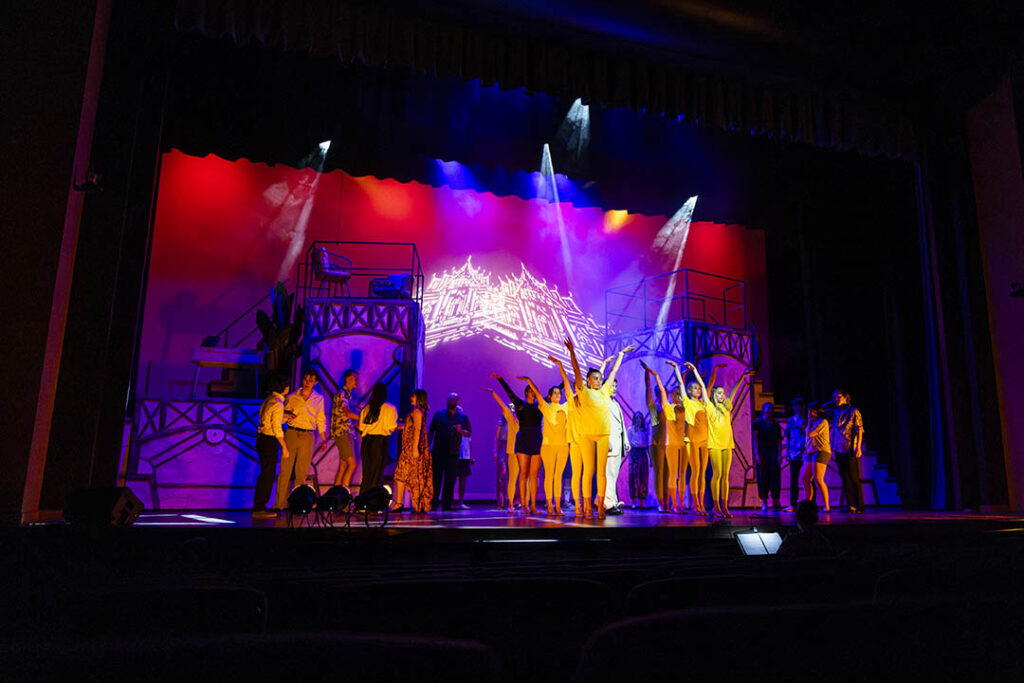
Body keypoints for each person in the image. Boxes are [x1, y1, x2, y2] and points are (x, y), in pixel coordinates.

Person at [564, 338, 633, 519]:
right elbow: (577, 371)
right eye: (595, 378)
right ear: (588, 380)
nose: (598, 380)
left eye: (600, 378)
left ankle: (601, 505)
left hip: (603, 436)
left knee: (602, 473)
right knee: (589, 471)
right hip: (586, 436)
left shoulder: (604, 392)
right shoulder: (584, 392)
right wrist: (572, 352)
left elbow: (614, 371)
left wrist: (620, 355)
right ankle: (587, 505)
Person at [688, 361, 756, 518]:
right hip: (715, 444)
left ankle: (725, 506)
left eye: (723, 393)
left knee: (725, 475)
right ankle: (716, 506)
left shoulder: (727, 406)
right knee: (717, 474)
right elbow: (704, 389)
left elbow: (735, 391)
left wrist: (743, 377)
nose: (722, 395)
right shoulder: (710, 407)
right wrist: (696, 372)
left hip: (727, 443)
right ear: (713, 395)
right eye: (719, 393)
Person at [488, 373, 543, 514]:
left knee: (534, 476)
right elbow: (509, 394)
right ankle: (520, 504)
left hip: (536, 439)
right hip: (523, 440)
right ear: (526, 392)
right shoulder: (519, 405)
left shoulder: (540, 405)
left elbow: (553, 392)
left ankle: (533, 505)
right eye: (531, 389)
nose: (534, 391)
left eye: (534, 389)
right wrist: (500, 379)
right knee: (522, 474)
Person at [669, 361, 717, 515]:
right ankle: (696, 505)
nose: (697, 389)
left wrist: (695, 371)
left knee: (703, 472)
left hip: (704, 440)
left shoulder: (704, 403)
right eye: (694, 388)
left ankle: (701, 504)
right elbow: (680, 385)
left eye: (698, 388)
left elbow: (704, 387)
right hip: (692, 441)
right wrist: (677, 369)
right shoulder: (688, 403)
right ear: (689, 391)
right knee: (695, 471)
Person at [277, 369, 327, 510]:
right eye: (305, 379)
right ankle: (279, 505)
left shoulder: (319, 398)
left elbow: (320, 418)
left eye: (311, 381)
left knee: (302, 472)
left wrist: (323, 438)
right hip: (292, 433)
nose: (307, 383)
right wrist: (287, 415)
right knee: (285, 470)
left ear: (315, 382)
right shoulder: (292, 396)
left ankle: (298, 504)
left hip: (308, 435)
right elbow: (281, 418)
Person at [522, 377, 570, 516]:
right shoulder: (546, 407)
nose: (557, 395)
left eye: (558, 393)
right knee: (549, 475)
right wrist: (529, 380)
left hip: (562, 445)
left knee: (558, 476)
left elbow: (573, 394)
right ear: (549, 396)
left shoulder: (565, 407)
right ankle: (549, 505)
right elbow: (536, 393)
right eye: (554, 393)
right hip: (548, 446)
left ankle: (558, 506)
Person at [549, 355, 585, 517]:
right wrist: (560, 365)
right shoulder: (566, 404)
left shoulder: (584, 403)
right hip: (562, 443)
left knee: (577, 474)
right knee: (560, 474)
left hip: (579, 443)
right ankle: (556, 502)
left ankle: (577, 503)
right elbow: (566, 382)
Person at [253, 375, 289, 518]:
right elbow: (276, 429)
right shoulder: (278, 403)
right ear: (285, 388)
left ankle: (259, 506)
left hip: (261, 438)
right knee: (267, 475)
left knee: (265, 473)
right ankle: (259, 508)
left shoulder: (269, 400)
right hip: (269, 440)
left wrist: (284, 418)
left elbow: (268, 420)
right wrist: (284, 447)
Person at [428, 393, 472, 511]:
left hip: (453, 452)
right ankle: (434, 502)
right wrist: (428, 447)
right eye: (448, 398)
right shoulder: (439, 414)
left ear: (457, 401)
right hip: (438, 451)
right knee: (436, 478)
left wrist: (460, 430)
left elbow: (468, 433)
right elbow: (431, 431)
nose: (450, 400)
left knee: (450, 479)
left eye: (452, 399)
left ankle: (447, 504)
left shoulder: (463, 417)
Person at [391, 389, 432, 513]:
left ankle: (400, 503)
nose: (411, 397)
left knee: (401, 475)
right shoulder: (418, 411)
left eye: (413, 396)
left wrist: (414, 449)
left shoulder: (417, 412)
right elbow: (411, 427)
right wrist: (397, 427)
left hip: (411, 449)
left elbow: (418, 430)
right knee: (407, 475)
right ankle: (402, 503)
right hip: (410, 447)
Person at [358, 383, 398, 491]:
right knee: (377, 473)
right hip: (380, 442)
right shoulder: (390, 409)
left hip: (366, 442)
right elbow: (391, 427)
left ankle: (363, 502)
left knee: (367, 473)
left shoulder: (366, 409)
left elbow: (361, 427)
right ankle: (374, 502)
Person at [831, 389, 865, 513]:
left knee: (854, 477)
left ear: (846, 397)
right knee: (844, 477)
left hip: (850, 447)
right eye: (835, 398)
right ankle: (850, 505)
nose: (836, 400)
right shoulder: (836, 412)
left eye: (839, 397)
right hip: (838, 448)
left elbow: (859, 429)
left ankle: (860, 505)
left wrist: (858, 447)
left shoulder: (853, 412)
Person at [604, 379, 630, 515]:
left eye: (615, 385)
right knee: (609, 474)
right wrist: (606, 440)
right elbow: (603, 423)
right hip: (610, 443)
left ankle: (603, 500)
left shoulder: (616, 404)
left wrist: (626, 441)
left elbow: (622, 426)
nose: (614, 388)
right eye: (611, 386)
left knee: (613, 474)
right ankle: (609, 503)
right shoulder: (604, 402)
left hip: (618, 443)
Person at [330, 369, 360, 488]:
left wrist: (357, 424)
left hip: (346, 431)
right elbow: (347, 413)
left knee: (343, 465)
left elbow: (346, 415)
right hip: (342, 432)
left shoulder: (348, 395)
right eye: (354, 379)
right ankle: (344, 494)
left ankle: (336, 496)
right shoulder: (342, 394)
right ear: (347, 379)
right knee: (352, 464)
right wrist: (362, 418)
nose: (356, 381)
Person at [752, 402, 784, 511]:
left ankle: (775, 500)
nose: (769, 410)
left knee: (775, 475)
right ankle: (764, 501)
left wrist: (780, 455)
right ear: (763, 409)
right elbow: (755, 440)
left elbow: (779, 441)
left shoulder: (775, 424)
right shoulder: (758, 423)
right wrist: (756, 454)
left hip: (773, 451)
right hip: (762, 450)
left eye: (771, 408)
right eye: (767, 408)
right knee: (762, 476)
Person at [801, 402, 832, 512]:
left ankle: (827, 506)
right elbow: (807, 438)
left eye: (812, 410)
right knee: (805, 479)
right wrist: (805, 451)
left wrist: (809, 420)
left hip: (821, 451)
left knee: (818, 479)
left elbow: (810, 434)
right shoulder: (812, 421)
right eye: (809, 410)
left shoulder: (823, 422)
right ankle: (808, 505)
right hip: (810, 452)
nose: (810, 412)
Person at [783, 398, 808, 511]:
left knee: (808, 479)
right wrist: (787, 450)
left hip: (806, 451)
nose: (797, 408)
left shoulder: (808, 419)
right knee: (794, 479)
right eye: (795, 406)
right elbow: (788, 436)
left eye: (800, 405)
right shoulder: (791, 420)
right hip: (794, 452)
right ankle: (793, 503)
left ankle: (810, 503)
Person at [626, 411, 650, 508]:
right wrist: (630, 458)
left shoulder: (645, 431)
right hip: (634, 452)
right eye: (637, 417)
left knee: (643, 477)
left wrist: (651, 460)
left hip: (643, 453)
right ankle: (633, 501)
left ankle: (642, 501)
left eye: (640, 417)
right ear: (634, 419)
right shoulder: (631, 430)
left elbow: (647, 445)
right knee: (634, 477)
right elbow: (628, 444)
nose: (639, 419)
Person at [455, 423, 474, 509]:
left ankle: (460, 502)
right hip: (456, 457)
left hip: (465, 458)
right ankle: (448, 501)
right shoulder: (454, 432)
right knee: (452, 480)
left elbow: (470, 445)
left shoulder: (466, 433)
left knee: (463, 481)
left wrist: (471, 458)